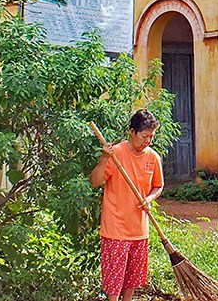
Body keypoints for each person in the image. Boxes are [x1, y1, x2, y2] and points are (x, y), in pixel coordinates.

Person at [90, 110, 164, 301]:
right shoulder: (116, 154)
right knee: (114, 283)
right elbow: (95, 181)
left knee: (132, 281)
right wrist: (104, 158)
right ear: (132, 132)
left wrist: (149, 199)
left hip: (139, 230)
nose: (148, 141)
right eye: (144, 136)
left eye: (151, 137)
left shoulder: (153, 157)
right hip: (115, 230)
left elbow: (158, 186)